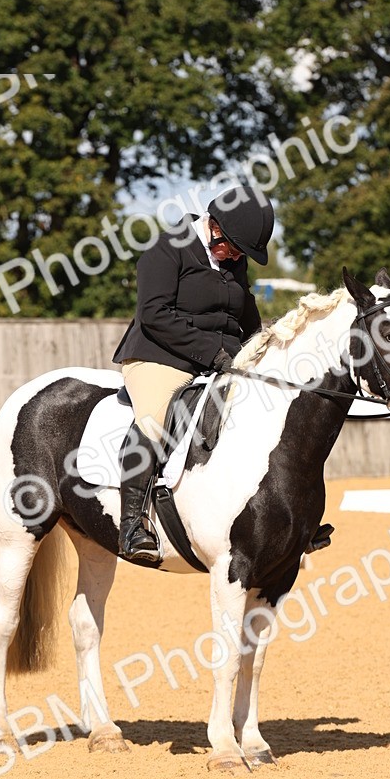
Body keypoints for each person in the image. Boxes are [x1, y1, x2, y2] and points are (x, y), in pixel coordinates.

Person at [112, 184, 274, 563]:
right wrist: (212, 353)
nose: (235, 257)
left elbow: (245, 312)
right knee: (153, 422)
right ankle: (132, 525)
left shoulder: (234, 259)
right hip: (159, 357)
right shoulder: (167, 249)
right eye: (233, 247)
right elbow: (154, 315)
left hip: (220, 359)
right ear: (214, 226)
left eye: (240, 253)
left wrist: (263, 348)